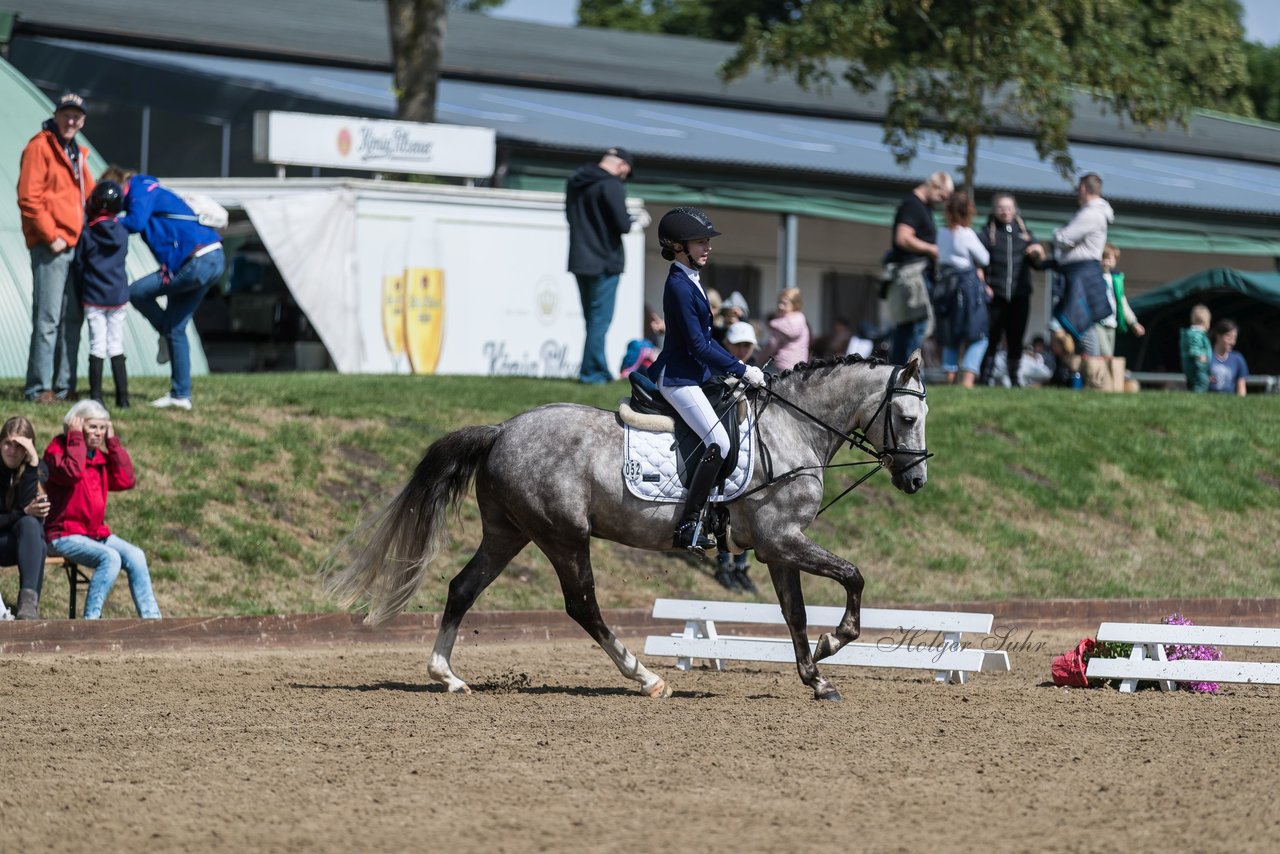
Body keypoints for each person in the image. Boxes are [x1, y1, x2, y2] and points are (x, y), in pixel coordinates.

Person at [645, 207, 766, 550]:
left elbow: (708, 341)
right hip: (679, 378)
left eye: (707, 241)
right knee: (720, 443)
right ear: (678, 245)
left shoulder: (692, 279)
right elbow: (698, 345)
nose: (707, 247)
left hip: (697, 374)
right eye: (700, 242)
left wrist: (735, 368)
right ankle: (688, 525)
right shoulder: (680, 286)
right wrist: (741, 368)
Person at [101, 166, 225, 410]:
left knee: (135, 292)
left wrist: (104, 221)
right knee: (176, 327)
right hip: (212, 257)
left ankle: (165, 337)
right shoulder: (151, 188)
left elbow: (135, 223)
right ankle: (181, 396)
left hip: (196, 260)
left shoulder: (140, 188)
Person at [43, 400, 161, 619]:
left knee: (136, 555)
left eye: (102, 427)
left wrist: (113, 443)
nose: (98, 433)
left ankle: (152, 620)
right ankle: (92, 622)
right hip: (62, 534)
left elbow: (126, 480)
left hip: (94, 533)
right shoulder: (56, 451)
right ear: (76, 425)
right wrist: (75, 437)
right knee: (111, 558)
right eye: (92, 427)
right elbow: (73, 473)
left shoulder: (99, 458)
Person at [18, 92, 95, 404]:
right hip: (52, 247)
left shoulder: (78, 153)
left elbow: (88, 197)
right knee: (48, 320)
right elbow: (28, 199)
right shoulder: (40, 146)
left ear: (83, 121)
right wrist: (51, 236)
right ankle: (38, 389)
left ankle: (64, 388)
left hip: (75, 247)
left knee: (72, 319)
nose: (71, 120)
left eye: (77, 115)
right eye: (66, 114)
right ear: (57, 114)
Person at [564, 147, 635, 385]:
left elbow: (570, 217)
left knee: (592, 320)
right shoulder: (612, 185)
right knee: (600, 320)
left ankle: (598, 369)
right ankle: (592, 374)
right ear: (622, 166)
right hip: (605, 260)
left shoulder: (575, 181)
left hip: (580, 259)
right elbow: (623, 224)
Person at [1052, 173, 1114, 389]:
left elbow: (1063, 238)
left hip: (1081, 276)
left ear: (1083, 189)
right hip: (1080, 274)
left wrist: (1057, 234)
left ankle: (1094, 383)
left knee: (1083, 329)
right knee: (1080, 331)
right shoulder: (1094, 213)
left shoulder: (1091, 214)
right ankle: (1084, 382)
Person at [72, 181, 131, 409]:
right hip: (117, 297)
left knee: (97, 344)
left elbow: (79, 265)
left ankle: (96, 397)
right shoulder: (123, 233)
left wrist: (79, 292)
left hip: (93, 296)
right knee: (116, 344)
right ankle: (123, 399)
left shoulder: (88, 233)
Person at [978, 192, 1047, 386]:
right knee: (991, 339)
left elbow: (1038, 263)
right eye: (1001, 207)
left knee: (1015, 339)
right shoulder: (986, 233)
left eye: (1009, 208)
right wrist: (985, 286)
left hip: (1020, 295)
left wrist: (1038, 251)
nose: (1005, 211)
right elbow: (977, 263)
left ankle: (1015, 379)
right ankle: (985, 378)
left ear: (1015, 209)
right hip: (996, 295)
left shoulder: (1025, 234)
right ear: (994, 210)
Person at [885, 171, 953, 364]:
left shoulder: (922, 207)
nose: (941, 201)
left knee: (908, 327)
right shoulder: (912, 205)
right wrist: (931, 248)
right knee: (916, 326)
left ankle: (899, 373)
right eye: (942, 195)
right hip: (912, 275)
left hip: (917, 274)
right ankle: (908, 376)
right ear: (934, 185)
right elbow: (903, 238)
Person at [932, 192, 990, 388]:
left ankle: (949, 378)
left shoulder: (940, 233)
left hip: (945, 286)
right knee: (978, 335)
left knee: (950, 336)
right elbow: (984, 258)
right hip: (966, 287)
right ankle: (967, 379)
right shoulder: (966, 234)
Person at [1, 416, 50, 620]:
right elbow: (24, 510)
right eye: (7, 443)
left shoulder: (37, 469)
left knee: (31, 527)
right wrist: (21, 513)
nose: (12, 451)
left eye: (20, 446)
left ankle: (28, 607)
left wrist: (31, 464)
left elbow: (31, 518)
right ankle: (28, 609)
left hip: (18, 544)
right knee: (35, 537)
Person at [1095, 244, 1145, 388]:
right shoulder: (1096, 278)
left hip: (1112, 322)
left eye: (1109, 258)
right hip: (1098, 321)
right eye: (1102, 258)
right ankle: (1105, 385)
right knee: (1105, 354)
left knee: (1109, 354)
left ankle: (1107, 385)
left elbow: (1122, 302)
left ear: (1115, 260)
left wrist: (1133, 322)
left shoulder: (1116, 279)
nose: (1106, 261)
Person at [757, 287, 811, 371]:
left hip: (781, 367)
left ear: (795, 305)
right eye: (779, 302)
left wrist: (758, 361)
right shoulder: (801, 320)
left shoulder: (782, 325)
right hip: (799, 368)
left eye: (785, 304)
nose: (780, 306)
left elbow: (772, 344)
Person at [1207, 319, 1248, 396]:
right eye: (1229, 337)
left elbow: (1241, 388)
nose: (1232, 342)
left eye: (1234, 338)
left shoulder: (1238, 359)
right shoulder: (1207, 357)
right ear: (1218, 336)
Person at [1180, 304, 1213, 393]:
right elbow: (1194, 347)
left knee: (1195, 383)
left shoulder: (1195, 334)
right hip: (1198, 367)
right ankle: (1198, 397)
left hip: (1199, 368)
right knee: (1201, 384)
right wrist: (1199, 355)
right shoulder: (1197, 334)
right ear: (1206, 322)